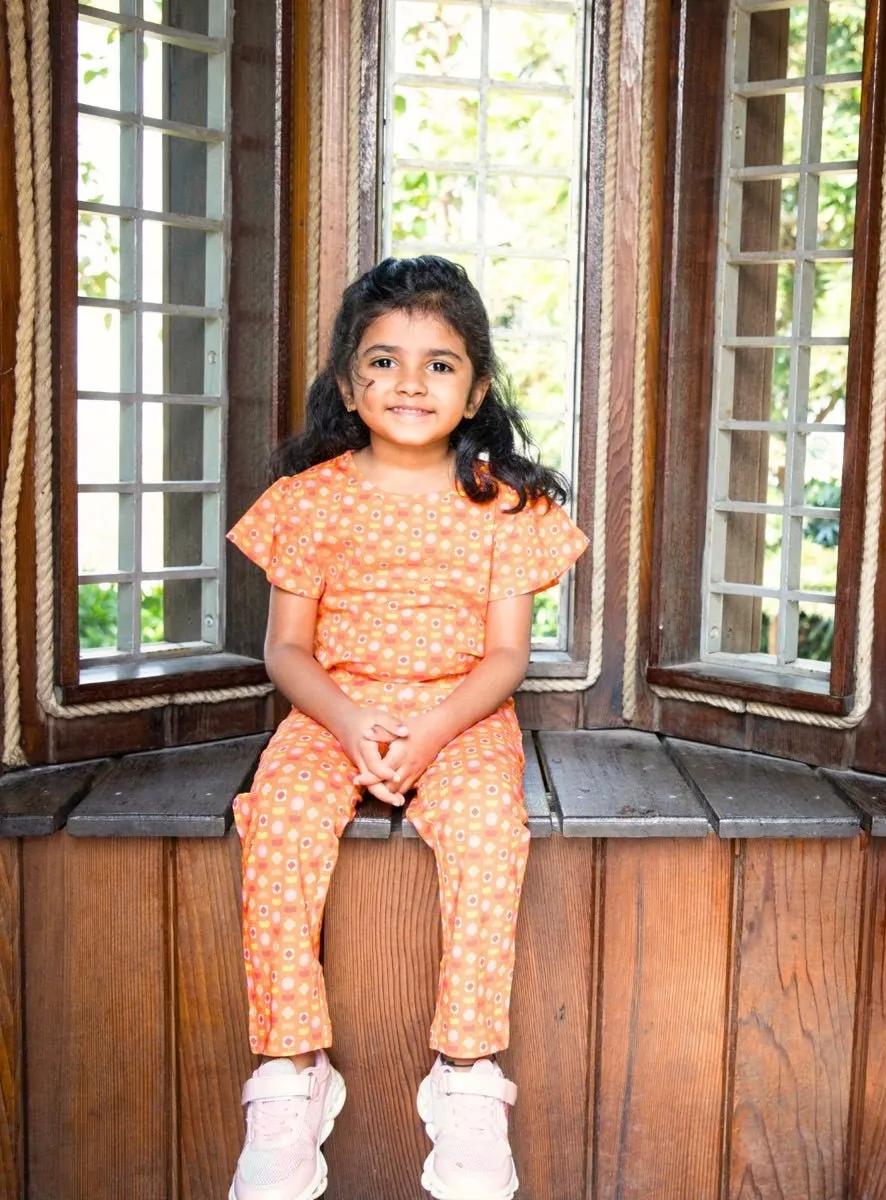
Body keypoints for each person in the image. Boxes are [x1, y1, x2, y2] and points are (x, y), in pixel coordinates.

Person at [224, 255, 588, 1200]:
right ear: (348, 383)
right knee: (282, 819)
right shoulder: (310, 500)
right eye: (383, 361)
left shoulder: (504, 504)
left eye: (440, 363)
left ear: (476, 390)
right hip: (330, 706)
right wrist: (347, 722)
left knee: (484, 830)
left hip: (462, 712)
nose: (410, 382)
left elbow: (506, 660)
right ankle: (291, 1073)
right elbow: (286, 652)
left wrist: (428, 732)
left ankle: (466, 1077)